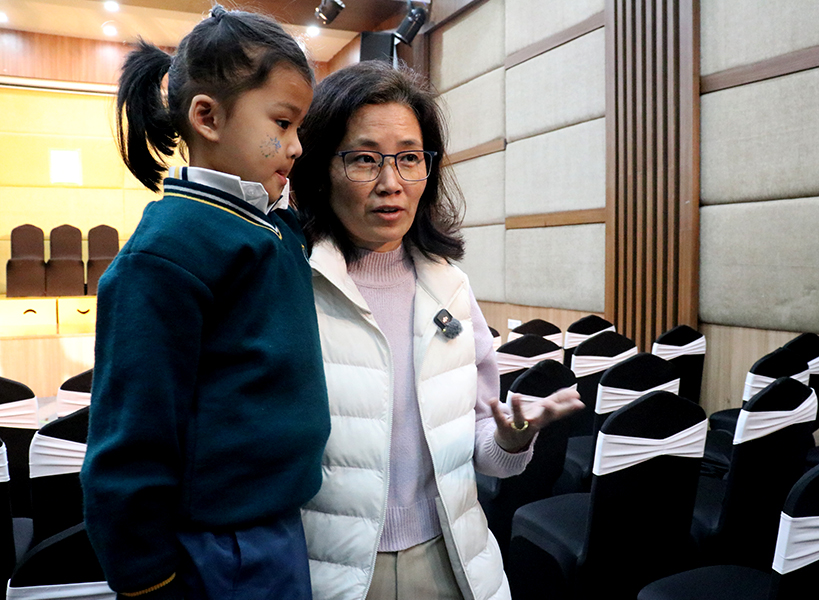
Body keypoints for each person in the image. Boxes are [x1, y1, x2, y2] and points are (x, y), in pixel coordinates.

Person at [291, 61, 584, 600]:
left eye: (409, 158)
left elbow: (485, 447)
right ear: (320, 167)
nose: (391, 184)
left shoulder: (450, 287)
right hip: (329, 569)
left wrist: (512, 438)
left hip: (450, 558)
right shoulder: (291, 284)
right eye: (364, 159)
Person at [81, 6, 329, 600]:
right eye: (283, 123)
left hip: (275, 528)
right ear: (207, 117)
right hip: (215, 550)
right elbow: (131, 432)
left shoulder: (264, 224)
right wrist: (147, 578)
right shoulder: (168, 251)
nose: (296, 147)